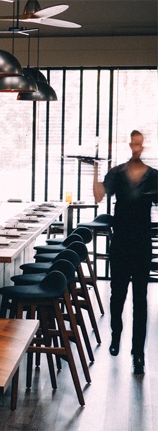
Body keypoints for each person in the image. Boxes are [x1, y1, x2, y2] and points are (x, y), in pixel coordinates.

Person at [92, 130, 158, 375]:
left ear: (143, 146)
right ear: (130, 144)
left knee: (140, 300)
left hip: (141, 245)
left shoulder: (153, 176)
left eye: (140, 143)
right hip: (120, 244)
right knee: (117, 297)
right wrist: (96, 169)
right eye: (134, 143)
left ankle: (138, 354)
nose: (137, 146)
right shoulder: (117, 173)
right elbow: (99, 195)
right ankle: (116, 334)